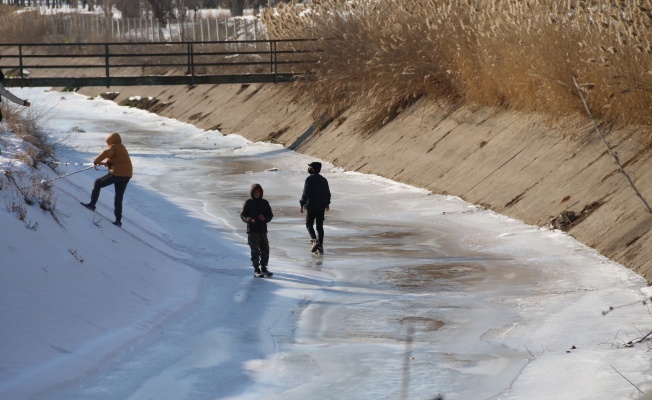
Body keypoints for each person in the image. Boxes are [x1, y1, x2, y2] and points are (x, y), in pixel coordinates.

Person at [81, 132, 133, 227]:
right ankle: (118, 220)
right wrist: (106, 163)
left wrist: (96, 161)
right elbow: (119, 161)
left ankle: (92, 204)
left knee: (98, 183)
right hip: (127, 175)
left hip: (118, 173)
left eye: (107, 142)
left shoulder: (113, 147)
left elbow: (106, 153)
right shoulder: (122, 147)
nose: (107, 144)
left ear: (111, 141)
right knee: (118, 197)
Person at [240, 183, 274, 278]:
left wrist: (264, 218)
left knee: (265, 250)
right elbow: (243, 216)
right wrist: (249, 220)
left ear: (261, 192)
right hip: (252, 231)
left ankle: (264, 268)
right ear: (252, 192)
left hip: (263, 231)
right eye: (255, 192)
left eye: (258, 192)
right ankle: (256, 269)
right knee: (255, 251)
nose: (256, 193)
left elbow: (270, 215)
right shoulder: (248, 203)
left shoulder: (265, 203)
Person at [300, 161, 331, 255]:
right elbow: (327, 193)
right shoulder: (323, 179)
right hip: (321, 207)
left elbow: (306, 193)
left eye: (310, 167)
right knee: (319, 226)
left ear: (315, 169)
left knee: (309, 224)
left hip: (311, 206)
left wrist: (302, 203)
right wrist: (327, 204)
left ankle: (315, 240)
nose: (309, 169)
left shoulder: (309, 179)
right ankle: (320, 247)